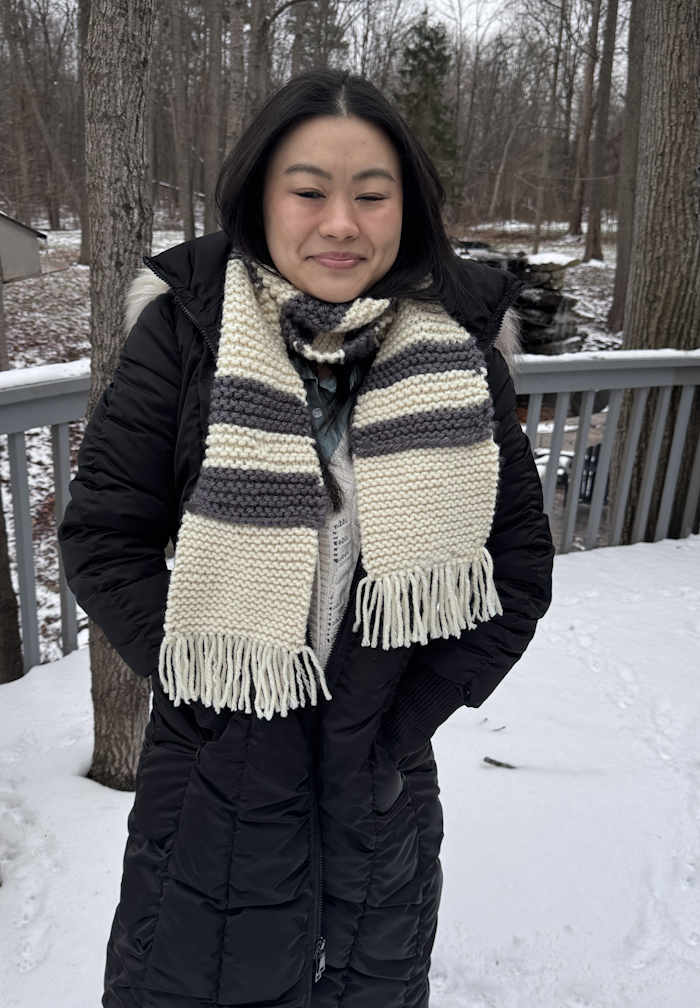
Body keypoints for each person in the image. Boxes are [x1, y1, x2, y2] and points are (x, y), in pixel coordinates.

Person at [58, 68, 554, 1008]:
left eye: (372, 195)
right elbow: (104, 537)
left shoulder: (458, 351)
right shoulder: (190, 334)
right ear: (260, 193)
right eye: (309, 191)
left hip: (382, 792)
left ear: (407, 206)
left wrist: (400, 722)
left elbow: (517, 567)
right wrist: (211, 685)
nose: (341, 224)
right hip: (210, 784)